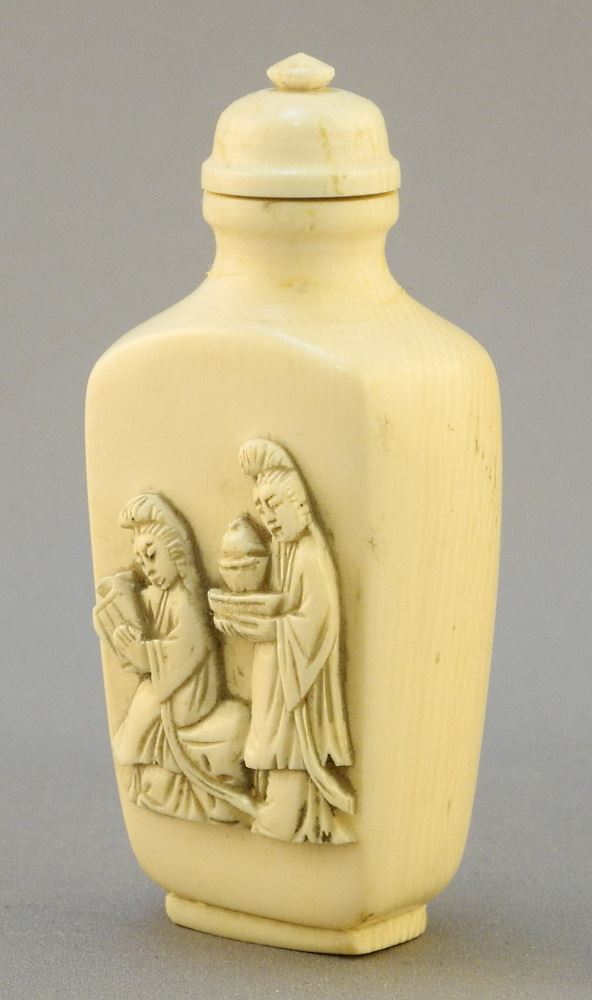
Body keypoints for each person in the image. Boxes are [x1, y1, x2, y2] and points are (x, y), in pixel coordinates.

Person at [214, 439, 356, 844]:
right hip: (276, 672)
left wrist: (270, 630)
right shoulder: (284, 551)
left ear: (299, 503)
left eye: (274, 505)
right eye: (261, 508)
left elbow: (316, 622)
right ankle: (279, 811)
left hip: (295, 678)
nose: (268, 517)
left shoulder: (309, 555)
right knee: (270, 746)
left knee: (286, 751)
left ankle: (288, 817)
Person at [93, 493, 254, 824]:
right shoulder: (163, 595)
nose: (148, 569)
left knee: (147, 697)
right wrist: (121, 590)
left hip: (191, 708)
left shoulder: (187, 604)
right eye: (141, 561)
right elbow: (143, 600)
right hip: (173, 705)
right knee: (145, 697)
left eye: (153, 556)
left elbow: (177, 655)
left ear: (175, 550)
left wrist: (140, 652)